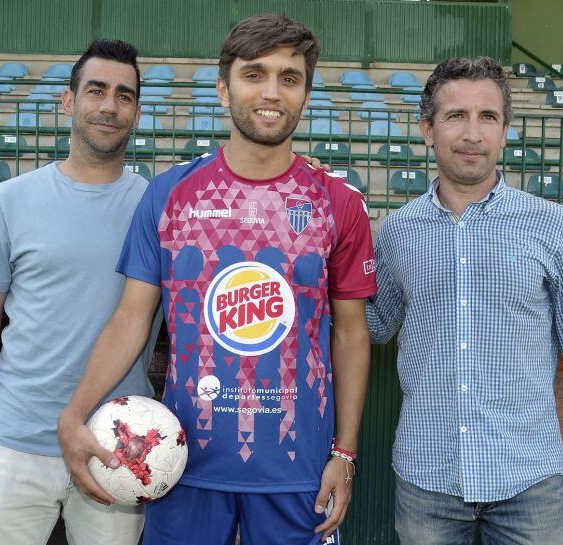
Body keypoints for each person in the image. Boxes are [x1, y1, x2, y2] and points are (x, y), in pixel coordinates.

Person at [58, 13, 376, 545]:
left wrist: (345, 453)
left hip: (298, 472)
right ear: (223, 90)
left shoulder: (338, 204)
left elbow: (350, 334)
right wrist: (74, 413)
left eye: (289, 78)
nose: (272, 92)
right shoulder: (169, 196)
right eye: (254, 74)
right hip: (180, 465)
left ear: (306, 94)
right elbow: (132, 318)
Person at [366, 56, 563, 545]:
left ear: (505, 131)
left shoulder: (550, 225)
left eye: (487, 117)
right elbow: (377, 326)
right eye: (455, 116)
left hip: (530, 479)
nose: (472, 133)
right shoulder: (399, 231)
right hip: (427, 478)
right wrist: (322, 257)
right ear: (427, 129)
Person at [0, 39, 164, 545]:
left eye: (124, 95)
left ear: (136, 112)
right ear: (68, 101)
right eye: (96, 90)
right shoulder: (10, 200)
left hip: (118, 444)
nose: (109, 106)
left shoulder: (158, 207)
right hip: (15, 443)